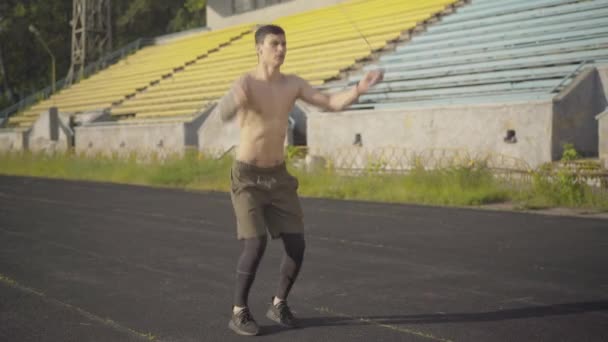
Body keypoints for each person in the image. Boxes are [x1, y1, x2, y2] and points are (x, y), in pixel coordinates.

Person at [212, 24, 384, 336]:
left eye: (284, 44)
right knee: (255, 244)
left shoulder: (292, 84)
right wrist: (231, 100)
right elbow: (222, 114)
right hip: (247, 177)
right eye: (274, 43)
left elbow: (330, 102)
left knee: (296, 245)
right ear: (259, 48)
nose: (281, 49)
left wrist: (359, 88)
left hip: (278, 177)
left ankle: (278, 303)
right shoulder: (246, 83)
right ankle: (239, 310)